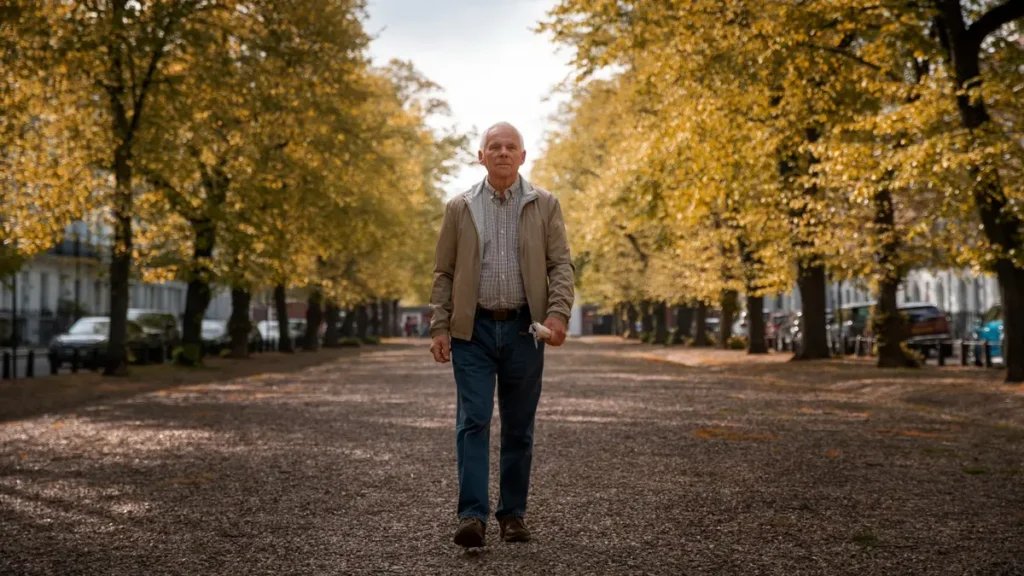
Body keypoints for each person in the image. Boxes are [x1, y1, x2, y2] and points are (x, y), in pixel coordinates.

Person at [429, 122, 575, 548]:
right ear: (481, 156)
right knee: (473, 421)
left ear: (523, 156)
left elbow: (560, 265)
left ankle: (512, 515)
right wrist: (440, 325)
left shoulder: (544, 204)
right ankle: (471, 517)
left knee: (518, 427)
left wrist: (558, 314)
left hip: (525, 330)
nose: (503, 152)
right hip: (471, 332)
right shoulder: (460, 207)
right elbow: (444, 272)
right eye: (494, 146)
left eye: (511, 147)